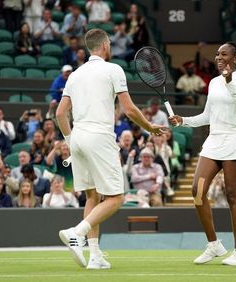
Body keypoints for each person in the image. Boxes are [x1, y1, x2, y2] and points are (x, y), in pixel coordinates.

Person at [55, 29, 165, 270]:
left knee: (93, 196)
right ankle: (77, 232)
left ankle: (95, 256)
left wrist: (70, 140)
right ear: (105, 45)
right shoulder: (113, 69)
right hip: (99, 136)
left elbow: (60, 113)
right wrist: (149, 128)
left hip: (77, 137)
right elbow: (130, 110)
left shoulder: (74, 74)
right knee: (116, 198)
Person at [169, 42, 236, 266]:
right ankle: (214, 245)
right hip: (214, 141)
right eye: (217, 54)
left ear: (234, 58)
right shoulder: (214, 83)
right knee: (197, 191)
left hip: (235, 140)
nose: (218, 57)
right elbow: (208, 115)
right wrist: (184, 120)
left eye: (223, 54)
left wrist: (230, 83)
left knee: (232, 195)